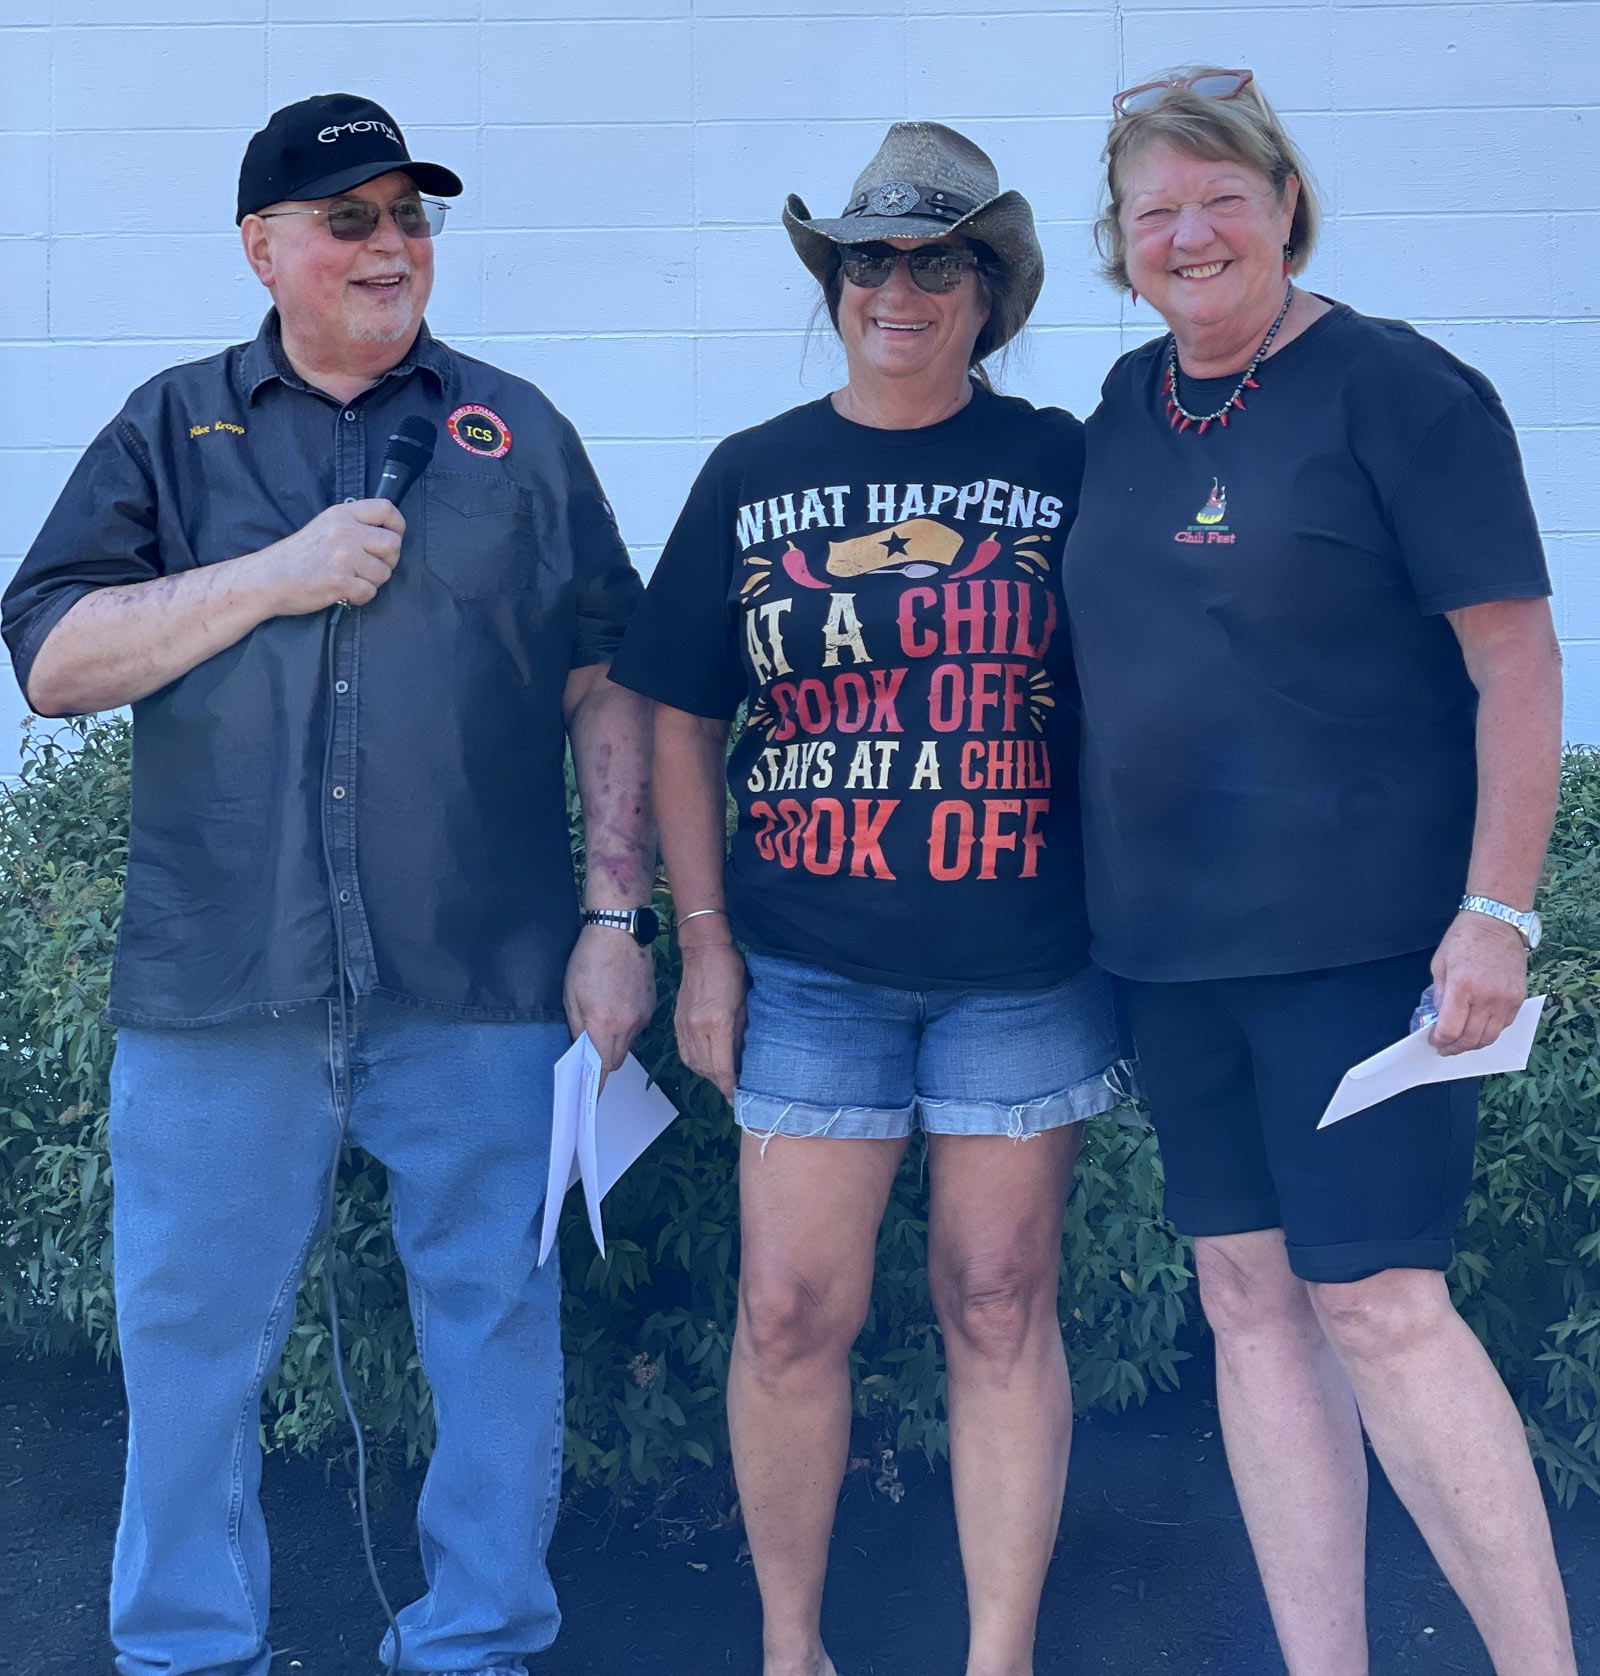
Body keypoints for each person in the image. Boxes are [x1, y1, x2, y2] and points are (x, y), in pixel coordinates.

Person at [2, 95, 657, 1676]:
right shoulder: (172, 426)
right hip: (223, 983)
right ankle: (185, 1653)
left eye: (410, 216)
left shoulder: (516, 433)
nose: (390, 245)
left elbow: (610, 684)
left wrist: (614, 917)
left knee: (495, 1332)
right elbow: (55, 658)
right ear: (262, 248)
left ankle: (478, 1644)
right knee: (189, 1350)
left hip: (482, 976)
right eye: (350, 217)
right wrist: (272, 576)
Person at [1062, 67, 1575, 1675]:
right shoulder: (1127, 404)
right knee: (1247, 1298)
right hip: (1169, 957)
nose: (1191, 233)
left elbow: (1517, 661)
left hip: (1364, 954)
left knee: (1381, 1305)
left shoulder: (1401, 390)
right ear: (1122, 241)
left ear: (1286, 203)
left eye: (1223, 197)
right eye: (1157, 210)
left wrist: (1496, 914)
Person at [609, 123, 1125, 1676]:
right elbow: (678, 717)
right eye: (867, 260)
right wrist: (701, 943)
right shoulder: (753, 473)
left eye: (935, 260)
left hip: (1023, 964)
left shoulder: (1062, 465)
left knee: (999, 1301)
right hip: (806, 967)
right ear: (833, 284)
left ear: (989, 290)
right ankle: (793, 1650)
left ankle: (997, 1656)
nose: (896, 288)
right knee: (787, 1313)